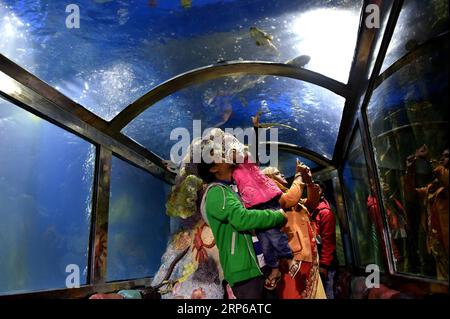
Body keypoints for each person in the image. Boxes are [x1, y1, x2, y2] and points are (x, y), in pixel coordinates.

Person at [198, 141, 287, 299]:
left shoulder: (232, 189)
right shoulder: (216, 192)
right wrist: (277, 216)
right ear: (213, 168)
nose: (223, 153)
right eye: (216, 155)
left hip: (258, 267)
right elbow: (242, 219)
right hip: (244, 273)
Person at [263, 163, 326, 299]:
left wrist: (308, 181)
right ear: (269, 179)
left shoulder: (290, 195)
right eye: (277, 174)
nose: (283, 174)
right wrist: (298, 175)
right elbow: (291, 199)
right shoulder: (270, 197)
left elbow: (312, 203)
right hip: (293, 259)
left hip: (307, 257)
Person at [405, 147, 449, 280]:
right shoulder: (432, 189)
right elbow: (410, 195)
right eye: (442, 155)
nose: (442, 158)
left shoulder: (445, 181)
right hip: (438, 248)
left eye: (447, 156)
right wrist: (410, 171)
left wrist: (429, 159)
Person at [310, 181, 338, 299]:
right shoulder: (311, 211)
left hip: (326, 263)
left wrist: (324, 265)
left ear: (322, 194)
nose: (314, 191)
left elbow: (328, 242)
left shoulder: (325, 213)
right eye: (312, 189)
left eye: (318, 189)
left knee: (328, 292)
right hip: (316, 261)